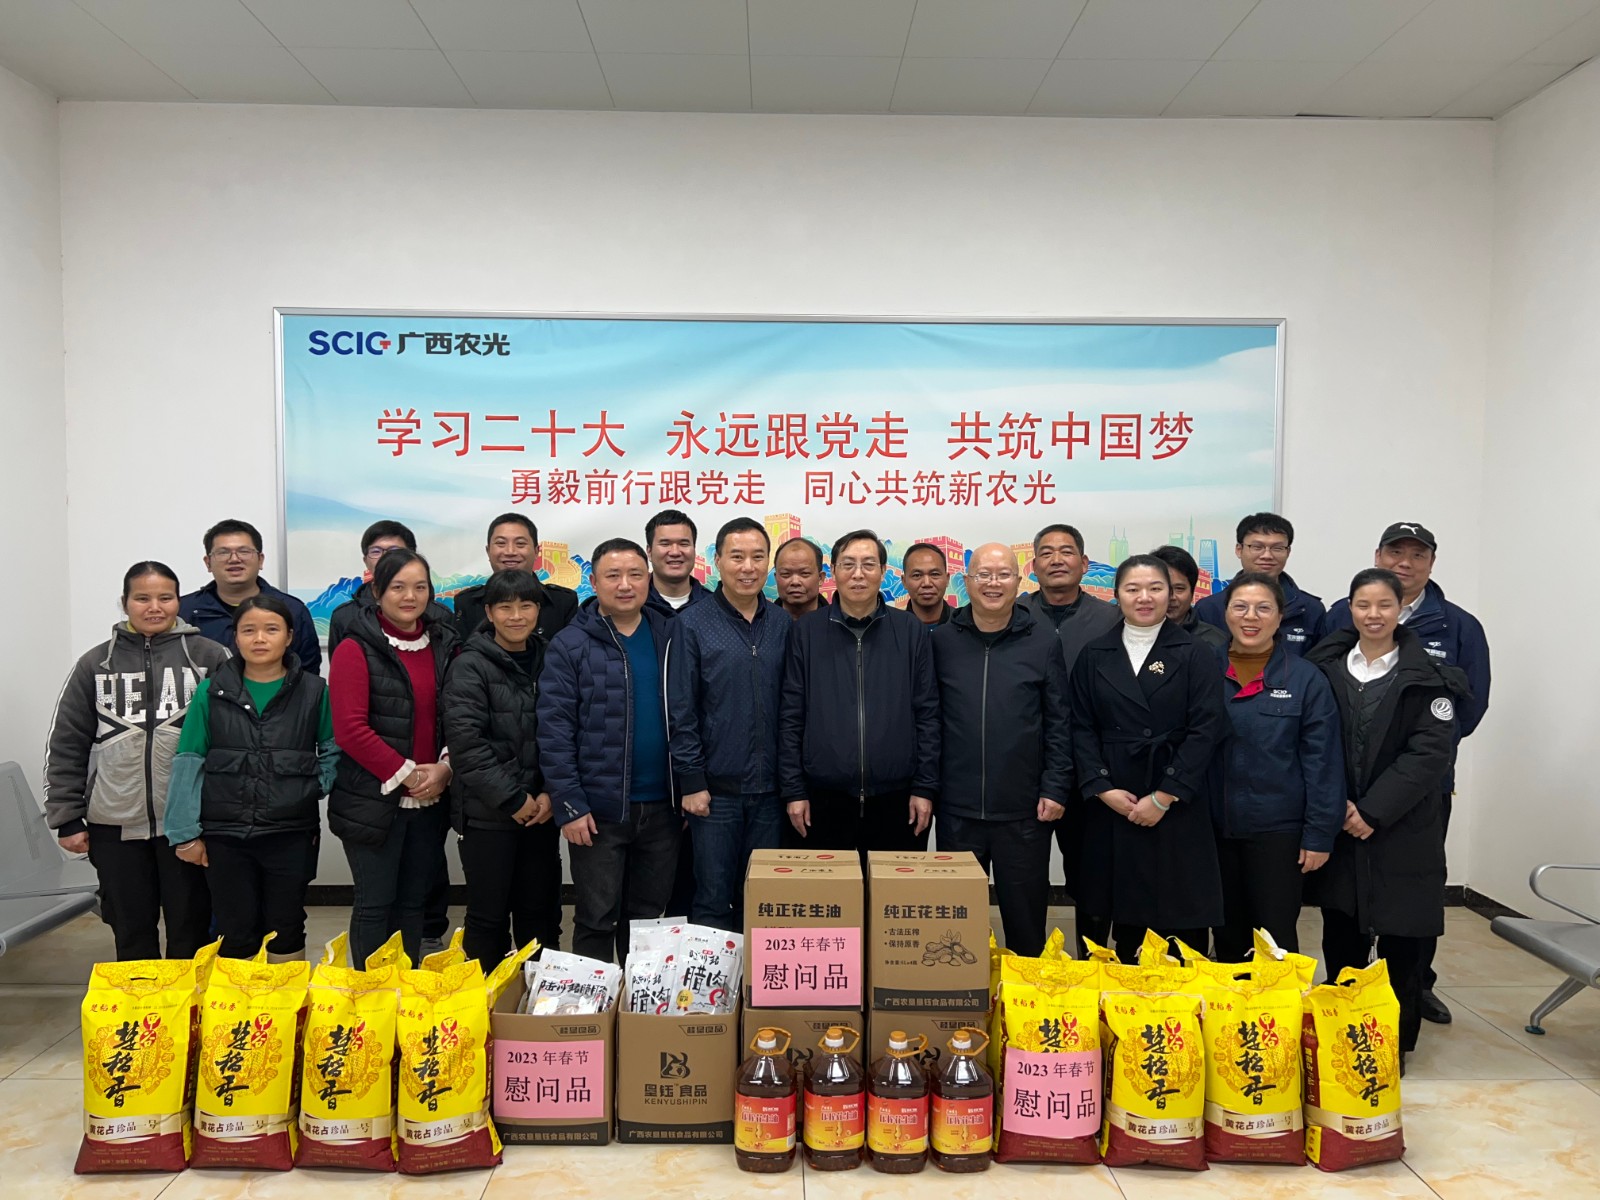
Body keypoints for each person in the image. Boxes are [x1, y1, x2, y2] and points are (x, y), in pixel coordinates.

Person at [1320, 522, 1491, 1026]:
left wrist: (1383, 795)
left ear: (1431, 563)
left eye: (1418, 554)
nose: (1405, 562)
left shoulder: (1459, 626)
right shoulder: (1335, 629)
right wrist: (1340, 798)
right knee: (1344, 905)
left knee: (1409, 904)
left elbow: (1462, 714)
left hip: (1415, 797)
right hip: (1344, 800)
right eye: (1396, 552)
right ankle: (1345, 1011)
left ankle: (1412, 997)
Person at [1305, 569, 1468, 1066]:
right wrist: (1337, 806)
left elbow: (1429, 754)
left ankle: (1393, 1046)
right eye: (1363, 605)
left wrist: (1374, 810)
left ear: (1400, 610)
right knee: (1343, 934)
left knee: (1404, 940)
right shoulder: (1324, 670)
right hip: (1340, 820)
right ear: (1349, 610)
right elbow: (1312, 744)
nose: (1373, 615)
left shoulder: (1429, 677)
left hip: (1404, 826)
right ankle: (1344, 1038)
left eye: (1384, 605)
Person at [45, 562, 230, 960]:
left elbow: (234, 739)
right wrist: (67, 816)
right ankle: (141, 999)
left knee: (190, 930)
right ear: (125, 602)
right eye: (142, 598)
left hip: (188, 824)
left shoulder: (210, 657)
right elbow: (67, 743)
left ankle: (186, 1001)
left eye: (165, 597)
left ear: (179, 601)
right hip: (113, 824)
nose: (154, 607)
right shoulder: (95, 664)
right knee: (130, 932)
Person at [1068, 554, 1228, 960]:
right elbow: (1080, 726)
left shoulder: (1195, 652)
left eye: (1155, 588)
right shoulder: (1094, 653)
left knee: (1180, 921)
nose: (1144, 597)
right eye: (1133, 589)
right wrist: (1101, 786)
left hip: (1175, 798)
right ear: (1116, 595)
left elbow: (1206, 728)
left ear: (1171, 594)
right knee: (1120, 912)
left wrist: (1164, 795)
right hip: (1114, 798)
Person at [165, 595, 336, 961]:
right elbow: (189, 760)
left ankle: (284, 996)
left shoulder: (314, 691)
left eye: (271, 629)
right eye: (249, 630)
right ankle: (240, 997)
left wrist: (313, 786)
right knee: (236, 928)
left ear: (289, 637)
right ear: (236, 637)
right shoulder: (211, 692)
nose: (260, 638)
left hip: (291, 832)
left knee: (286, 926)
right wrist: (184, 833)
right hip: (225, 835)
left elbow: (332, 749)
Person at [930, 544, 1072, 957]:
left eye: (1003, 574)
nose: (993, 584)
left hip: (1024, 812)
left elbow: (1059, 721)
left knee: (1025, 926)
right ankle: (964, 997)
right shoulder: (942, 642)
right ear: (967, 581)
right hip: (957, 810)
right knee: (957, 928)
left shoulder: (1042, 641)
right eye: (983, 575)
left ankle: (1022, 994)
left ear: (1019, 581)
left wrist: (1055, 786)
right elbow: (928, 720)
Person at [540, 539, 679, 963]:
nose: (625, 585)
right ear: (594, 581)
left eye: (635, 575)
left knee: (649, 919)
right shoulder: (570, 644)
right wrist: (569, 804)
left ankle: (637, 1002)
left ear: (648, 579)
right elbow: (554, 730)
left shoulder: (670, 634)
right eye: (613, 576)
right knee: (596, 917)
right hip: (598, 811)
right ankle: (594, 1001)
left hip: (664, 807)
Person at [327, 520, 455, 954]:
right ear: (378, 590)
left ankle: (406, 986)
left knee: (413, 904)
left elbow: (454, 716)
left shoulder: (442, 643)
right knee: (375, 904)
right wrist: (407, 775)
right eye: (398, 587)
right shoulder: (355, 647)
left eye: (420, 587)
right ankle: (371, 993)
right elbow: (350, 729)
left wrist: (444, 768)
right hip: (373, 798)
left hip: (431, 797)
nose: (409, 597)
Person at [778, 529, 939, 859]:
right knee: (827, 891)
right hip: (822, 798)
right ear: (833, 571)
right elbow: (791, 716)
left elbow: (927, 715)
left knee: (892, 891)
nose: (858, 574)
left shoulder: (910, 631)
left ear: (883, 571)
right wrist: (794, 790)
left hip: (897, 797)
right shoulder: (806, 632)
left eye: (868, 564)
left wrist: (924, 787)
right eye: (848, 564)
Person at [1211, 573, 1344, 960]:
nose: (1251, 617)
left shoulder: (1306, 679)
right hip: (1212, 829)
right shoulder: (1202, 668)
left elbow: (1323, 763)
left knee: (1276, 938)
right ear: (1226, 613)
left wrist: (1319, 834)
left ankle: (1278, 1001)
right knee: (1226, 935)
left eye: (1263, 608)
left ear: (1280, 616)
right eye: (1241, 607)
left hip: (1278, 833)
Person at [668, 518, 789, 930]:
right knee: (712, 899)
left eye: (757, 557)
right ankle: (714, 976)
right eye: (737, 556)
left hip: (772, 793)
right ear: (717, 561)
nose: (748, 567)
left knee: (763, 901)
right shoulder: (691, 623)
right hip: (715, 793)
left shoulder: (782, 624)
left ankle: (757, 974)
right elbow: (681, 709)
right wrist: (691, 781)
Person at [442, 569, 560, 968]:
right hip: (488, 815)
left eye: (526, 605)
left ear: (538, 610)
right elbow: (467, 746)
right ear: (489, 612)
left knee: (540, 915)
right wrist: (513, 799)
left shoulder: (551, 657)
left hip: (542, 812)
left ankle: (536, 1000)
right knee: (487, 918)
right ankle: (489, 1002)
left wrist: (550, 793)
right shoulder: (469, 665)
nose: (517, 616)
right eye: (505, 607)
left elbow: (565, 730)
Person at [1015, 523, 1120, 951]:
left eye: (1067, 551)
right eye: (1046, 552)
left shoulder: (1111, 619)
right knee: (1025, 878)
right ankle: (1030, 964)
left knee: (1091, 877)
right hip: (1026, 770)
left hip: (1092, 771)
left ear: (1085, 562)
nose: (1057, 560)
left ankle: (1090, 962)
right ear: (1033, 565)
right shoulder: (1015, 614)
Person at [179, 518, 321, 673]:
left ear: (260, 560)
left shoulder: (293, 610)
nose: (234, 559)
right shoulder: (184, 610)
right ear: (208, 563)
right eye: (223, 552)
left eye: (244, 551)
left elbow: (307, 674)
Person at [1193, 513, 1325, 654]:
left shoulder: (1310, 609)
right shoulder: (1209, 608)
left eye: (1277, 548)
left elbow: (1319, 662)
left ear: (1288, 552)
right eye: (1257, 547)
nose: (1267, 555)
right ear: (1239, 550)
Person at [450, 512, 580, 644]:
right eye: (501, 543)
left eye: (520, 544)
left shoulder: (563, 602)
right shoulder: (467, 602)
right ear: (488, 551)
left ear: (536, 551)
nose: (510, 552)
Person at [327, 519, 454, 653]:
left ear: (411, 556)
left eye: (395, 551)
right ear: (365, 561)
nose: (385, 558)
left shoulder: (439, 615)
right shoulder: (344, 616)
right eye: (376, 551)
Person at [1150, 544, 1227, 653]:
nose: (1171, 597)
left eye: (1179, 588)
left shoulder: (1216, 642)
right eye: (1159, 588)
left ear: (1192, 592)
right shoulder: (1128, 636)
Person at [643, 509, 708, 615]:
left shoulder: (715, 605)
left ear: (694, 549)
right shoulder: (633, 603)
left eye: (683, 544)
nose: (675, 552)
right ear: (649, 552)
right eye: (665, 544)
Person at [774, 536, 826, 618]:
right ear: (776, 578)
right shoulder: (761, 623)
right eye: (786, 574)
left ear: (820, 578)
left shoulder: (837, 623)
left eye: (804, 573)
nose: (795, 582)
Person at [903, 543, 953, 627]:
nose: (927, 583)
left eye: (935, 574)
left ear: (947, 579)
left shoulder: (964, 625)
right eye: (917, 575)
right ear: (904, 581)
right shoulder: (893, 627)